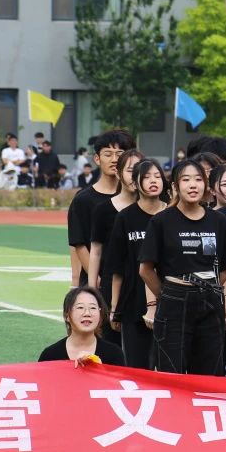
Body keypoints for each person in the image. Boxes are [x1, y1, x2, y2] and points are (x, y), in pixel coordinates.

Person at [139, 159, 226, 452]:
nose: (193, 185)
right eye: (186, 179)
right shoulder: (162, 221)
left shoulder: (218, 221)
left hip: (209, 302)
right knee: (172, 375)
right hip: (174, 299)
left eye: (198, 179)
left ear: (205, 185)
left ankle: (202, 451)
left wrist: (209, 290)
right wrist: (169, 294)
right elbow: (146, 269)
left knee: (207, 377)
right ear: (175, 186)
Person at [35, 287, 129, 452]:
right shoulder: (51, 354)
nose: (87, 313)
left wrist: (99, 370)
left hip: (104, 421)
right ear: (67, 315)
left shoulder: (113, 353)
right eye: (80, 308)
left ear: (101, 315)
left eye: (93, 308)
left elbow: (124, 395)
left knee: (120, 420)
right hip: (65, 426)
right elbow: (42, 399)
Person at [107, 158, 168, 369]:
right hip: (133, 302)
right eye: (147, 177)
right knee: (136, 365)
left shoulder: (172, 214)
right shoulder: (125, 218)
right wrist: (115, 307)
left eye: (158, 176)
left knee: (167, 367)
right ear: (135, 183)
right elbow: (117, 267)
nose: (153, 181)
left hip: (170, 301)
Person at [89, 149, 145, 345]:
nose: (135, 176)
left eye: (140, 170)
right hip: (111, 283)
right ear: (119, 173)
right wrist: (92, 290)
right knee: (110, 342)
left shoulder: (157, 210)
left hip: (144, 286)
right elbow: (96, 251)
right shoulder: (103, 210)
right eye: (130, 170)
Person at [68, 130, 134, 286]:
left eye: (119, 154)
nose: (114, 160)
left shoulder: (136, 197)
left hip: (131, 279)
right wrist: (96, 278)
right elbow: (79, 243)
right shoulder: (82, 200)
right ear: (97, 159)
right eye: (108, 154)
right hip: (97, 282)